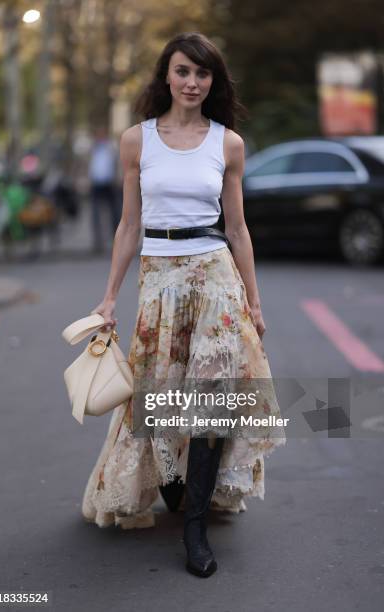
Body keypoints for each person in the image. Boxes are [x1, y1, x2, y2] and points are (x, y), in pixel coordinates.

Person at [82, 31, 286, 578]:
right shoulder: (137, 141)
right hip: (159, 275)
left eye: (202, 74)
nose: (192, 82)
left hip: (215, 274)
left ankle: (194, 525)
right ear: (166, 77)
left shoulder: (228, 144)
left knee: (213, 394)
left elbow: (238, 229)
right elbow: (129, 224)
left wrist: (255, 302)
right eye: (182, 72)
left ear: (213, 81)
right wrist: (108, 298)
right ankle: (174, 484)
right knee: (163, 389)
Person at [88, 126, 121, 253]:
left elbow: (118, 163)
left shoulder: (111, 147)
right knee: (96, 214)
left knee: (115, 213)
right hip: (96, 183)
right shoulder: (92, 149)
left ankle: (117, 240)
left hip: (110, 183)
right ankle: (98, 242)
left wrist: (118, 178)